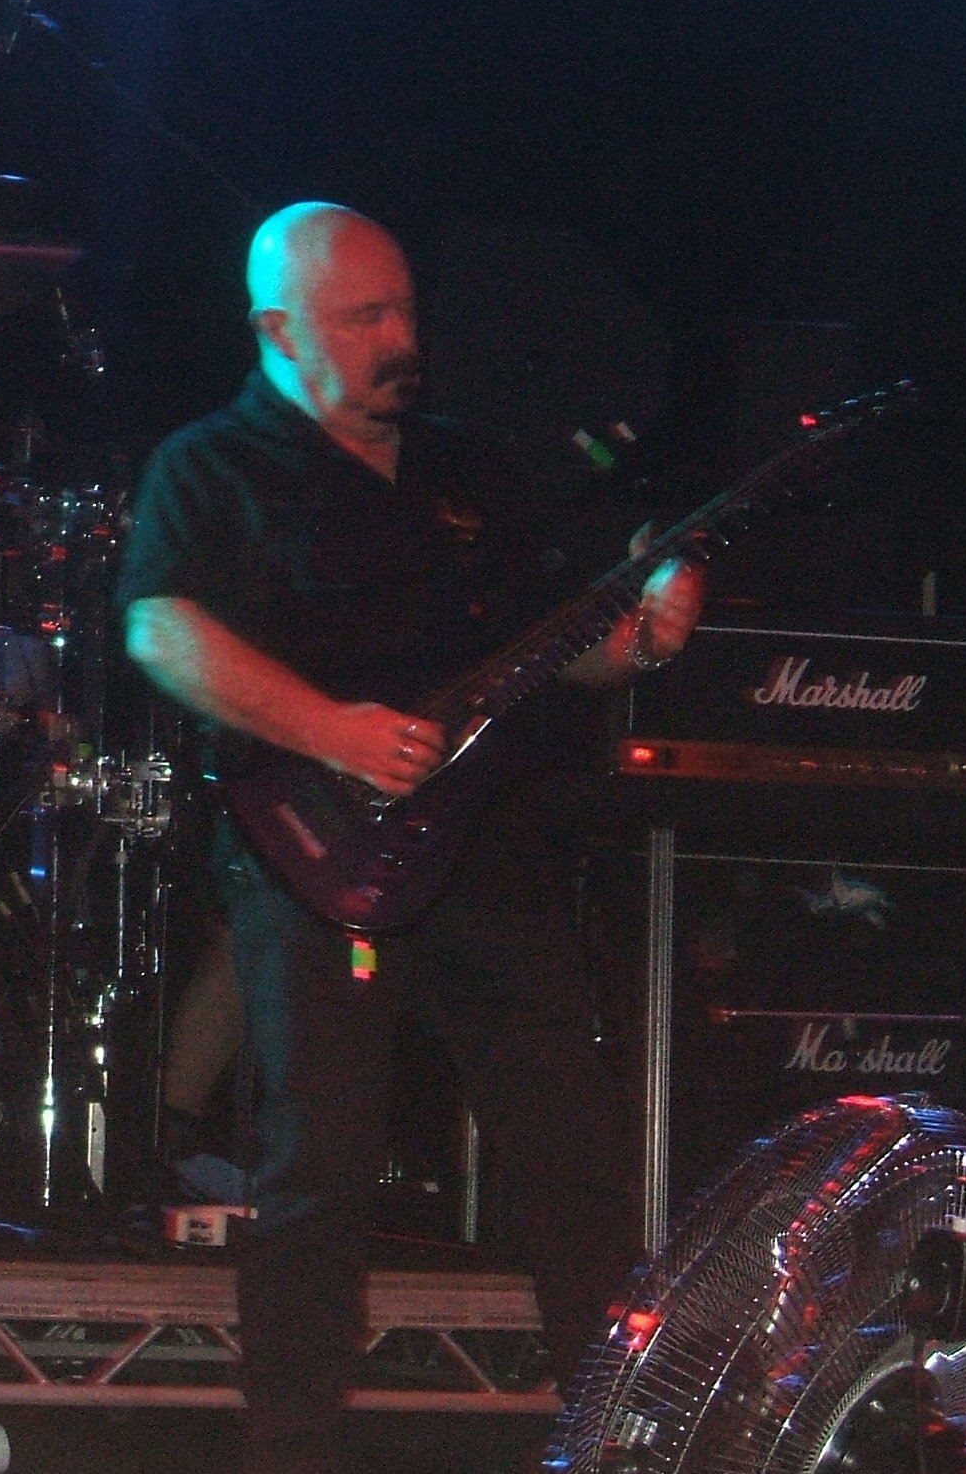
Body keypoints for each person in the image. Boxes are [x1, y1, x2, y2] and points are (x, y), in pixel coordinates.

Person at [118, 202, 700, 1474]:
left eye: (404, 311)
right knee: (316, 1169)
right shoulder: (209, 467)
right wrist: (330, 729)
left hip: (485, 848)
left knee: (571, 1152)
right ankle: (292, 1451)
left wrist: (641, 640)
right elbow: (160, 628)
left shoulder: (468, 473)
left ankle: (615, 1438)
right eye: (363, 318)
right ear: (278, 331)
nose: (398, 340)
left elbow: (560, 647)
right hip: (310, 853)